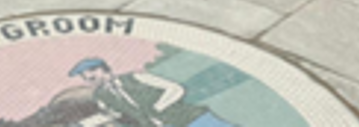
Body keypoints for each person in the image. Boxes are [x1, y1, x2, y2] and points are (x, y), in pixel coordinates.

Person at [69, 58, 235, 127]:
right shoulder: (102, 96)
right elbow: (112, 114)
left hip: (190, 119)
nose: (87, 78)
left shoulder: (136, 77)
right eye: (84, 76)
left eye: (90, 73)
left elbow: (175, 89)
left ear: (102, 69)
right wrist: (84, 124)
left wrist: (159, 106)